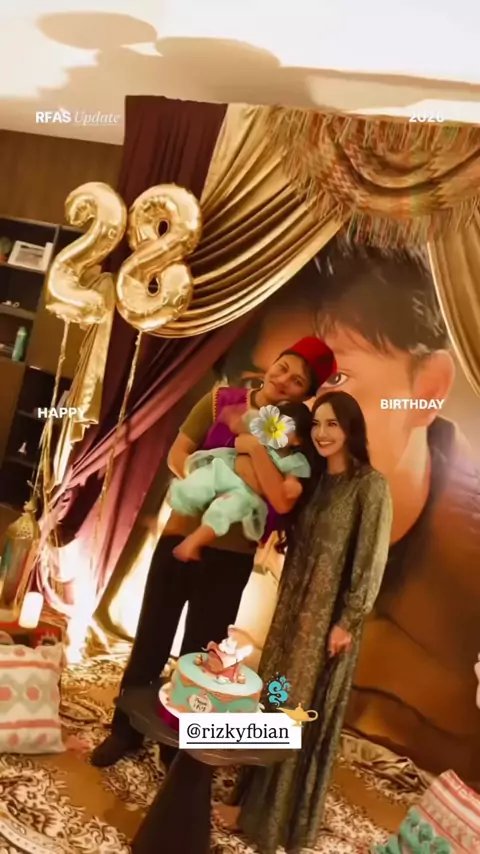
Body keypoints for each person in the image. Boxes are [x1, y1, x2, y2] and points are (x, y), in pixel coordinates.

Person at [214, 242, 480, 777]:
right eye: (281, 383)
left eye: (336, 378)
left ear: (427, 390)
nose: (300, 412)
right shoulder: (291, 489)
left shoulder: (450, 544)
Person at [90, 336, 336, 767]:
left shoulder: (295, 439)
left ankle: (177, 744)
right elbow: (178, 453)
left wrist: (250, 457)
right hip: (180, 536)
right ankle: (124, 731)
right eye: (283, 367)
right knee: (151, 637)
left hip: (232, 557)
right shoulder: (222, 400)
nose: (284, 380)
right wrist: (209, 482)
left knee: (200, 655)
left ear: (306, 395)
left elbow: (280, 498)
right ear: (272, 364)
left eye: (298, 381)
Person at [217, 390, 393, 854]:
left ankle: (272, 819)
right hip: (291, 616)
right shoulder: (315, 482)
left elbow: (371, 561)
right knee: (274, 698)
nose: (322, 433)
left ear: (351, 429)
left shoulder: (370, 486)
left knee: (296, 710)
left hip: (325, 627)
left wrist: (348, 621)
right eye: (316, 424)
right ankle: (249, 801)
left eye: (332, 424)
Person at [169, 402, 313, 562]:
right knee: (201, 480)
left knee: (224, 511)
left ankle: (193, 542)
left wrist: (293, 485)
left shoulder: (292, 460)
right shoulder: (259, 433)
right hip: (226, 469)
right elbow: (240, 426)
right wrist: (234, 419)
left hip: (245, 492)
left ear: (297, 441)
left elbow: (293, 480)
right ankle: (178, 499)